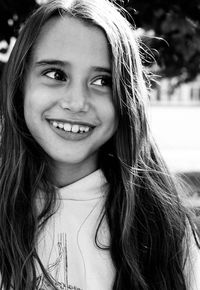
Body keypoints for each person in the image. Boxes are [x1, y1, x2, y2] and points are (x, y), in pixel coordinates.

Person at [0, 0, 199, 289]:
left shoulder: (165, 229)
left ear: (126, 98)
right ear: (20, 85)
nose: (77, 103)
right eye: (56, 74)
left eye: (103, 81)